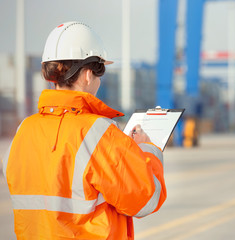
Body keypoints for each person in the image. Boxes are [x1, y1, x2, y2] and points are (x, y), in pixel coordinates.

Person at [2, 21, 166, 240]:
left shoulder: (23, 131)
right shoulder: (99, 133)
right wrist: (146, 149)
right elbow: (145, 200)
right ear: (88, 74)